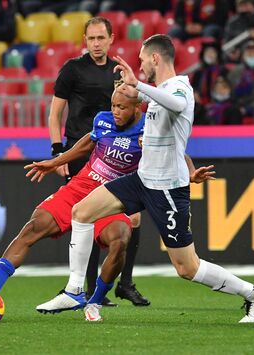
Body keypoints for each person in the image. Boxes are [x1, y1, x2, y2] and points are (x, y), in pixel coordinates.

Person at [42, 34, 254, 322]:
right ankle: (75, 290)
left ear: (155, 58)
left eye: (141, 60)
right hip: (142, 180)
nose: (140, 66)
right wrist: (133, 92)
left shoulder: (180, 87)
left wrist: (139, 86)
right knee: (82, 211)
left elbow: (176, 106)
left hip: (167, 190)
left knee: (187, 268)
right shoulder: (157, 91)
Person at [0, 91, 143, 312]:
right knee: (34, 226)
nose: (115, 112)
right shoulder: (103, 119)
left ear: (137, 108)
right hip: (80, 187)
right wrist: (55, 162)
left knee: (120, 240)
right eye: (113, 106)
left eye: (121, 107)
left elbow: (177, 155)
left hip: (112, 196)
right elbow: (87, 144)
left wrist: (189, 174)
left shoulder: (150, 131)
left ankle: (94, 301)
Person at [48, 16, 148, 306]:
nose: (96, 44)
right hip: (82, 152)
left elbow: (136, 109)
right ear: (84, 40)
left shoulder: (119, 73)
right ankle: (86, 287)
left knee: (134, 217)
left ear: (111, 39)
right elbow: (55, 114)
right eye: (91, 39)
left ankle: (124, 283)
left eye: (101, 38)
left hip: (115, 154)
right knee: (86, 217)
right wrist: (58, 152)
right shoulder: (72, 70)